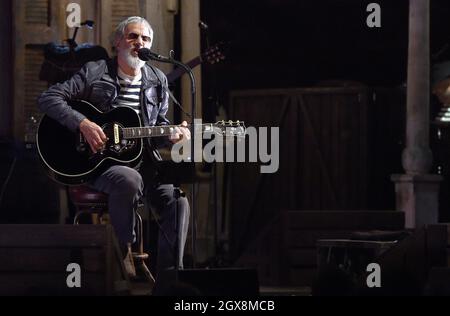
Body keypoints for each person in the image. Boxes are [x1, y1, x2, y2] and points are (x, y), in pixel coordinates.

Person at [37, 16, 191, 282]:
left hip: (144, 164)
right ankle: (123, 250)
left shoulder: (157, 81)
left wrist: (173, 136)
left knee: (178, 202)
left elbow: (159, 128)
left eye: (145, 39)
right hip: (97, 164)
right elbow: (48, 98)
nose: (139, 43)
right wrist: (83, 123)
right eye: (132, 36)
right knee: (129, 179)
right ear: (117, 42)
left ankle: (169, 281)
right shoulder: (95, 71)